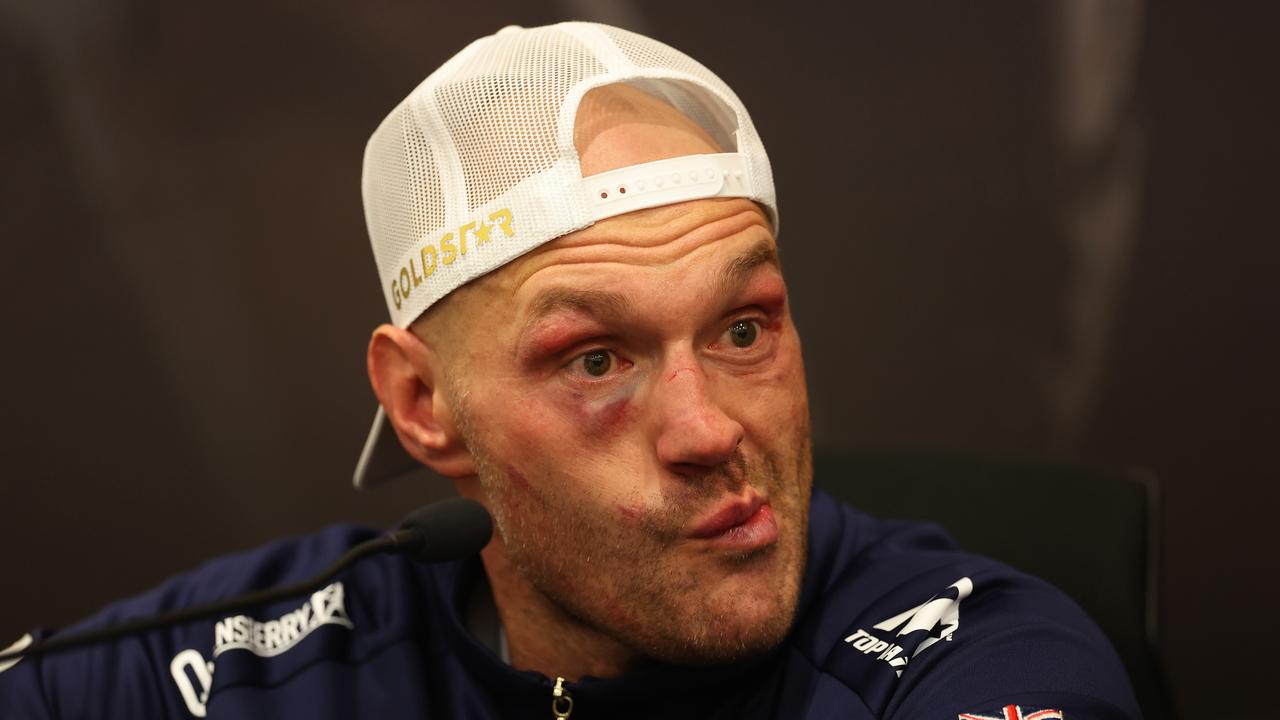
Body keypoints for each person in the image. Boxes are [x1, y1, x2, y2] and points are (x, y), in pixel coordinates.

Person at [0, 22, 1140, 719]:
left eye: (743, 329)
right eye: (595, 358)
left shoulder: (967, 650)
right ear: (421, 406)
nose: (708, 432)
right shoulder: (275, 657)